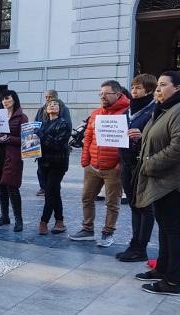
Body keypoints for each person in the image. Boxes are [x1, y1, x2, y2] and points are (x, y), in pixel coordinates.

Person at [134, 71, 180, 296]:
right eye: (158, 85)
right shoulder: (165, 109)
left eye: (163, 85)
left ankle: (172, 282)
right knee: (165, 227)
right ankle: (162, 269)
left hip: (174, 181)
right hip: (163, 180)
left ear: (178, 88)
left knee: (173, 229)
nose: (158, 89)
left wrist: (151, 163)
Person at [69, 80, 129, 247]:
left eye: (105, 94)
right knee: (86, 198)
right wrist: (85, 160)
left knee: (112, 203)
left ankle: (108, 233)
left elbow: (131, 142)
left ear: (117, 94)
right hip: (93, 167)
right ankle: (87, 230)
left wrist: (121, 164)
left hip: (114, 168)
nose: (102, 97)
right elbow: (88, 137)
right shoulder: (96, 113)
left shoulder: (127, 113)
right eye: (100, 94)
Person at [116, 74, 156, 262]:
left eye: (139, 87)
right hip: (126, 163)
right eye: (133, 87)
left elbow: (156, 139)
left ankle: (141, 247)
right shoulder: (127, 111)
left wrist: (141, 136)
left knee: (145, 207)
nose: (134, 91)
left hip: (143, 164)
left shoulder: (154, 111)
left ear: (149, 90)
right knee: (133, 205)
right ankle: (134, 243)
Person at [0, 90, 28, 232]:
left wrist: (8, 139)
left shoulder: (22, 117)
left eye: (7, 98)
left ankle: (19, 220)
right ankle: (5, 216)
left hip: (13, 156)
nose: (5, 101)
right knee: (1, 188)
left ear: (14, 100)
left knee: (12, 188)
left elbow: (26, 139)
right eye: (3, 99)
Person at [35, 99, 71, 235]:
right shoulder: (41, 124)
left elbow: (57, 144)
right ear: (45, 109)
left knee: (50, 191)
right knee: (54, 191)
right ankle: (60, 221)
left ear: (60, 109)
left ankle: (43, 221)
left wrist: (41, 136)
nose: (52, 105)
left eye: (55, 104)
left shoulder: (64, 124)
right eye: (49, 104)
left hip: (58, 163)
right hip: (44, 163)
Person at [34, 90, 72, 196]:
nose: (47, 99)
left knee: (53, 184)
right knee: (40, 171)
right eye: (46, 97)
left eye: (50, 97)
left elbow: (67, 126)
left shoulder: (63, 109)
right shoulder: (41, 109)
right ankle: (43, 187)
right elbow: (36, 124)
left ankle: (51, 189)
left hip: (56, 152)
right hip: (43, 150)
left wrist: (44, 135)